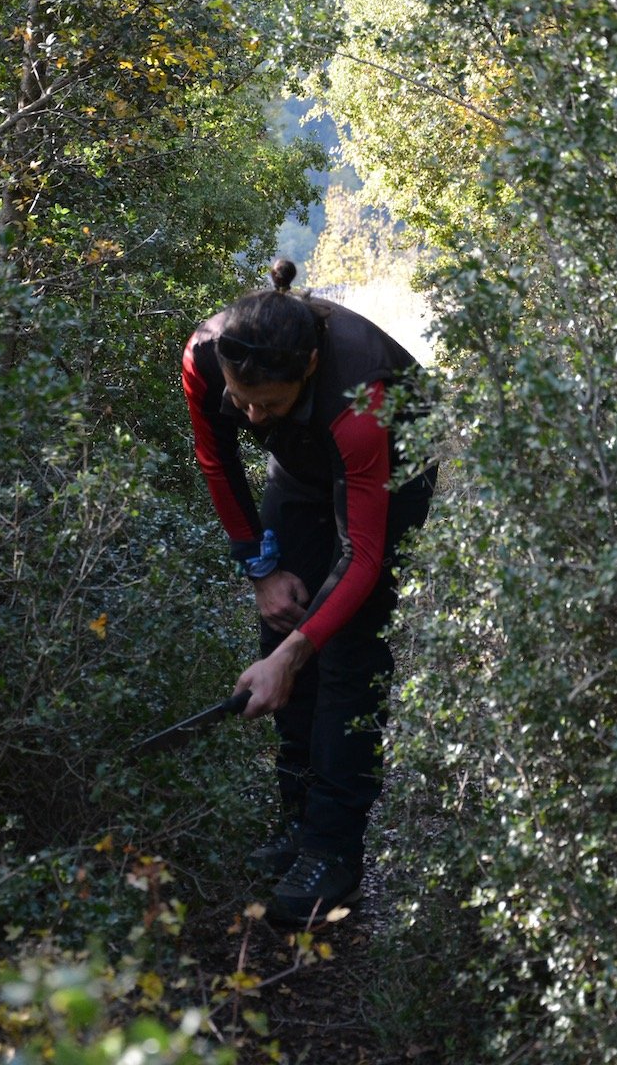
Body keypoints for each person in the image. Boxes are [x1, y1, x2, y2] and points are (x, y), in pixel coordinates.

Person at [181, 258, 436, 924]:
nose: (251, 413)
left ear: (310, 372)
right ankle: (297, 823)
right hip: (301, 468)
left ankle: (334, 855)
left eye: (269, 403)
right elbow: (218, 459)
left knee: (346, 653)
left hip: (388, 465)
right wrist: (260, 571)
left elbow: (363, 555)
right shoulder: (207, 359)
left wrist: (294, 655)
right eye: (243, 400)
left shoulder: (362, 402)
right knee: (284, 620)